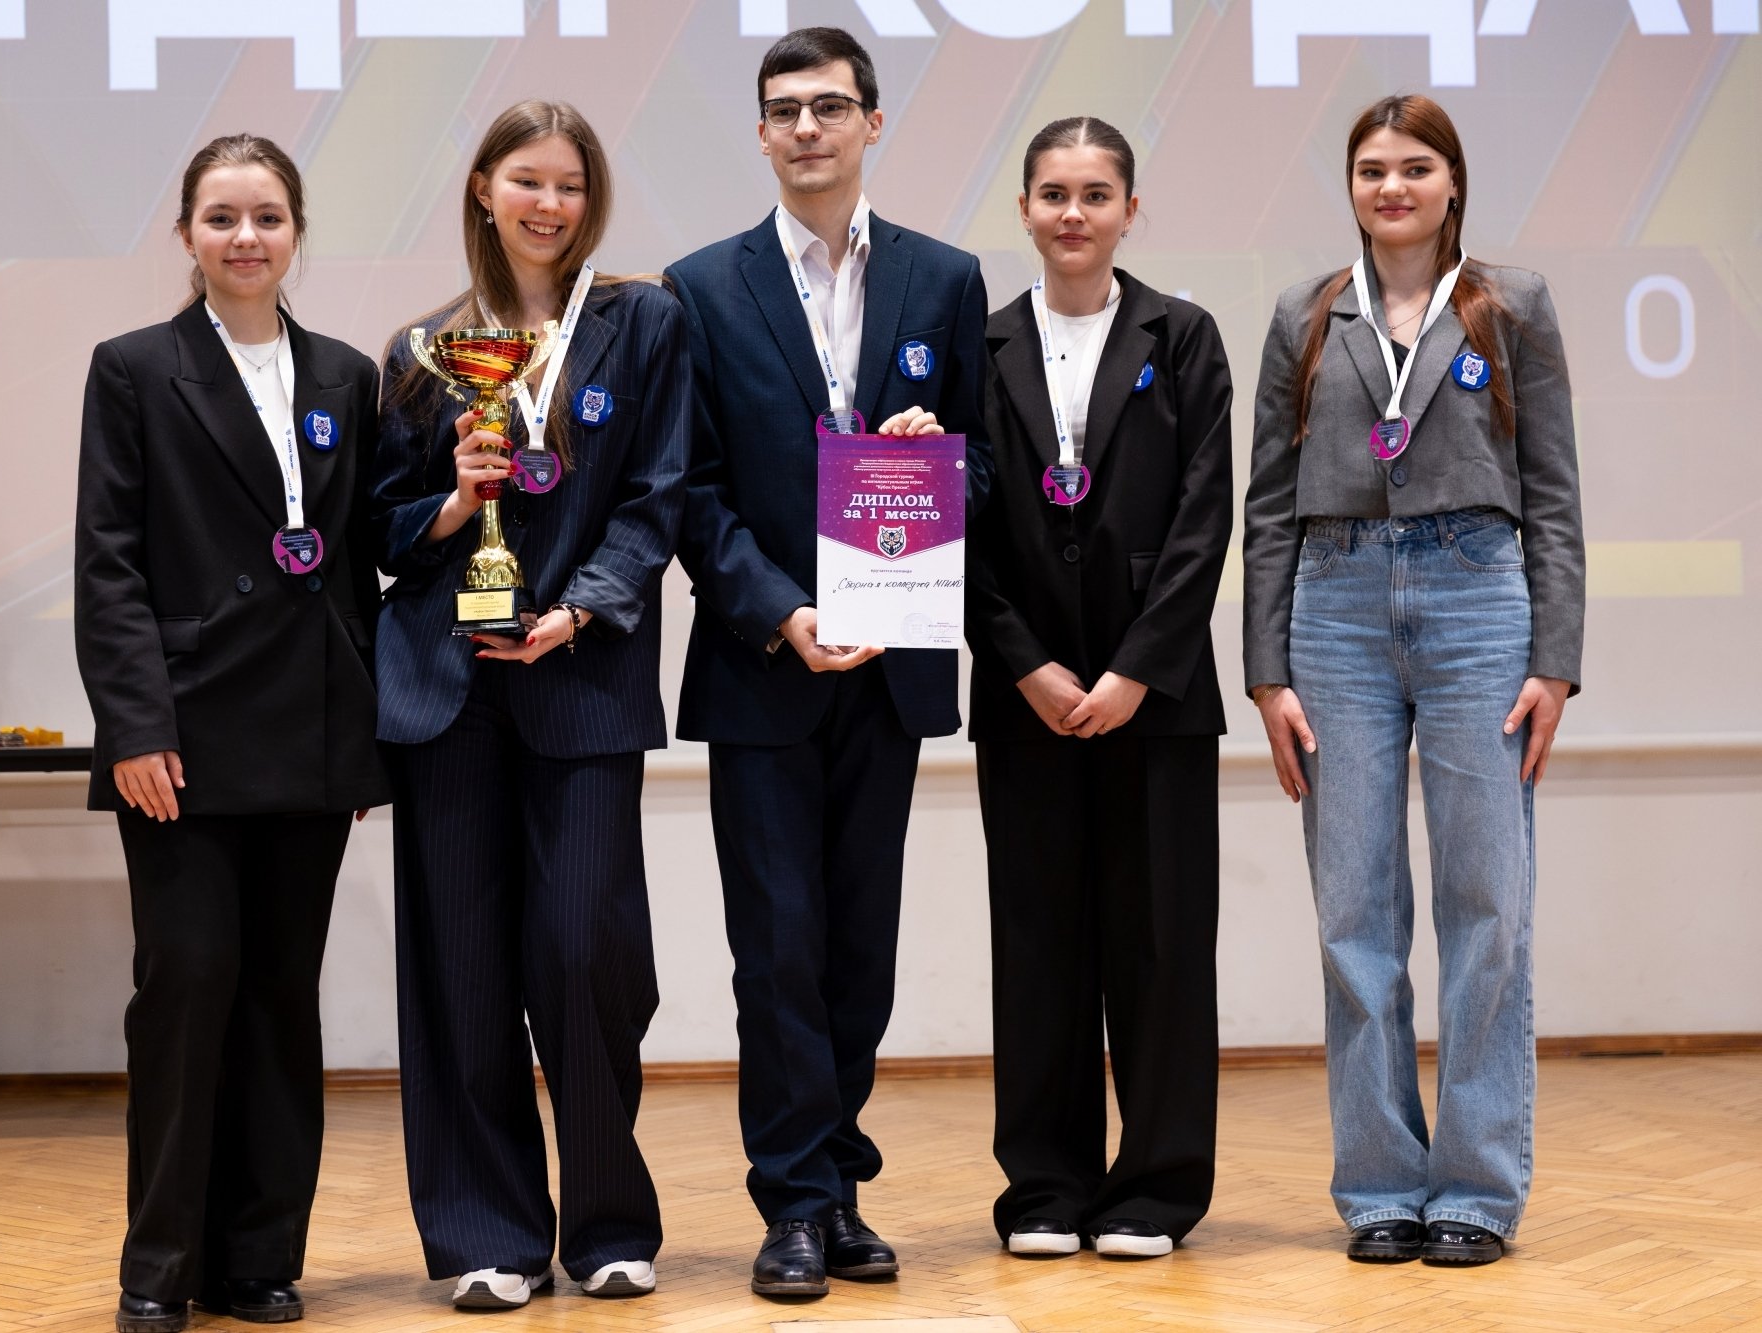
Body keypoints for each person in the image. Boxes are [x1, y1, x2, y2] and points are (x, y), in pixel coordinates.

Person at [665, 26, 990, 1299]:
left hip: (891, 659)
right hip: (765, 666)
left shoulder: (943, 278)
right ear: (759, 133)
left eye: (830, 106)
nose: (807, 127)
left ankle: (835, 1181)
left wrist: (931, 451)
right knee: (777, 948)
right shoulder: (700, 287)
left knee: (859, 948)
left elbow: (979, 464)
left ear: (871, 123)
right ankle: (794, 1204)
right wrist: (780, 612)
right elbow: (690, 491)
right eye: (784, 108)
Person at [1243, 94, 1584, 1267]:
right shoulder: (1305, 312)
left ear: (1451, 184)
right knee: (1352, 910)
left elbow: (1552, 491)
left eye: (1414, 167)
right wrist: (1265, 670)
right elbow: (1265, 507)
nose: (1391, 187)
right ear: (1349, 186)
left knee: (1487, 905)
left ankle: (1475, 1191)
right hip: (1332, 606)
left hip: (1477, 599)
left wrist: (1554, 660)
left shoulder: (1508, 304)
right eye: (1371, 169)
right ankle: (1380, 1185)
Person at [367, 100, 687, 1312]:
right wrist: (455, 502)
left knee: (584, 950)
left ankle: (608, 1222)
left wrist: (579, 610)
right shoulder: (419, 350)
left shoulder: (642, 321)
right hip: (446, 692)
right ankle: (485, 1234)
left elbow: (659, 494)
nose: (547, 204)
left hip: (582, 678)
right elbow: (383, 533)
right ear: (483, 191)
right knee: (461, 966)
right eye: (526, 181)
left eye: (568, 184)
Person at [75, 133, 388, 1333]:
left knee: (278, 1000)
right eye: (221, 217)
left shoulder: (345, 374)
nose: (245, 237)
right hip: (184, 740)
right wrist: (133, 726)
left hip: (311, 731)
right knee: (185, 987)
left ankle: (258, 1256)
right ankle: (158, 1265)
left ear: (295, 230)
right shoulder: (134, 369)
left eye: (266, 216)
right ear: (186, 235)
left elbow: (356, 558)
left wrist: (360, 724)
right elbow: (107, 563)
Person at [968, 117, 1232, 1261]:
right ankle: (1044, 1184)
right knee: (1038, 942)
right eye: (1051, 193)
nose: (1071, 212)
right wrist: (1022, 662)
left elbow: (1205, 517)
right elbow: (962, 533)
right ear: (1024, 209)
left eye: (1094, 193)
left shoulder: (1183, 336)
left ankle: (1155, 1188)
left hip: (1153, 698)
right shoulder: (978, 345)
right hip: (1023, 695)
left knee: (1160, 944)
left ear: (1130, 208)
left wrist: (1131, 670)